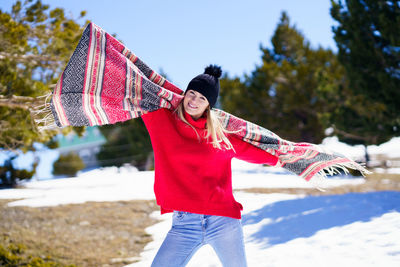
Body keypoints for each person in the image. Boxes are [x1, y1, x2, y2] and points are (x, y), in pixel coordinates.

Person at [141, 64, 278, 267]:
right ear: (185, 94)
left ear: (209, 105)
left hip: (223, 221)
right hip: (184, 224)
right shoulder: (162, 120)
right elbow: (139, 91)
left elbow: (259, 154)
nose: (194, 101)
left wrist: (286, 158)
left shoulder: (220, 135)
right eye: (192, 93)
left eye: (202, 98)